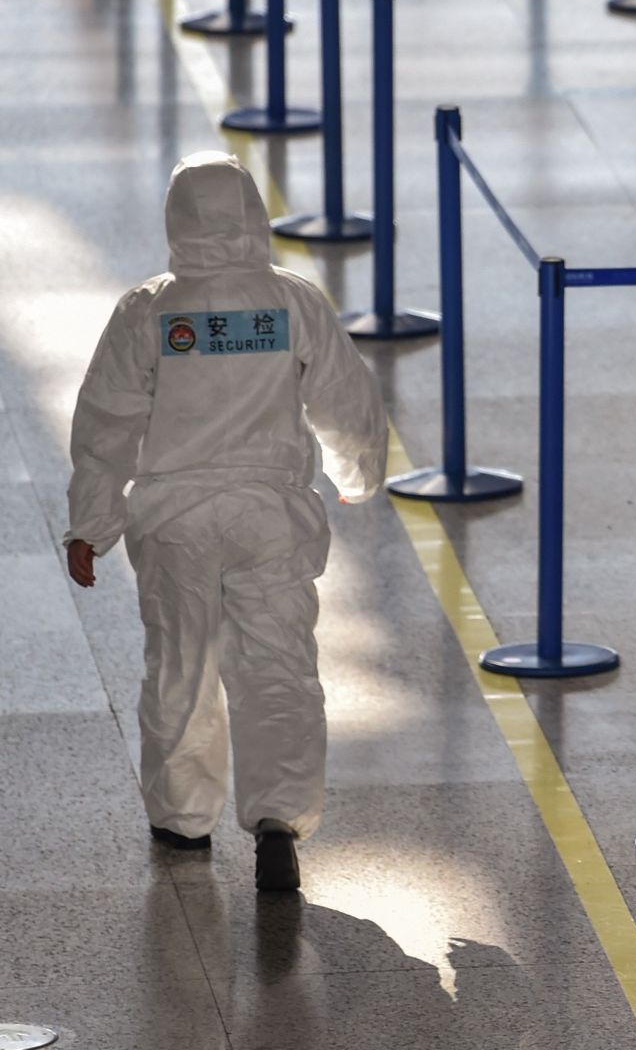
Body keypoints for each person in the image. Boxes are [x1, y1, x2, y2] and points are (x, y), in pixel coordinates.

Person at [62, 152, 388, 893]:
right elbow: (347, 398)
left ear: (175, 219)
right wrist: (357, 476)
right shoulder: (292, 302)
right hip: (270, 511)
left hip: (173, 517)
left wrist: (91, 523)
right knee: (277, 665)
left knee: (182, 662)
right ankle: (278, 816)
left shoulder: (149, 308)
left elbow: (107, 420)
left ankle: (182, 817)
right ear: (253, 216)